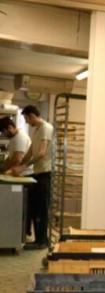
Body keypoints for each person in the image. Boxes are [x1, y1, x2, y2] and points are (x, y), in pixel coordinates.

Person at [11, 105, 55, 250]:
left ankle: (42, 241)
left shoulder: (46, 128)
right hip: (38, 173)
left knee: (42, 209)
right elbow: (31, 151)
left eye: (26, 119)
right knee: (36, 208)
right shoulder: (37, 130)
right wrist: (18, 165)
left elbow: (41, 153)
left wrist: (23, 167)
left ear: (32, 115)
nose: (27, 122)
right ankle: (39, 240)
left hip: (45, 174)